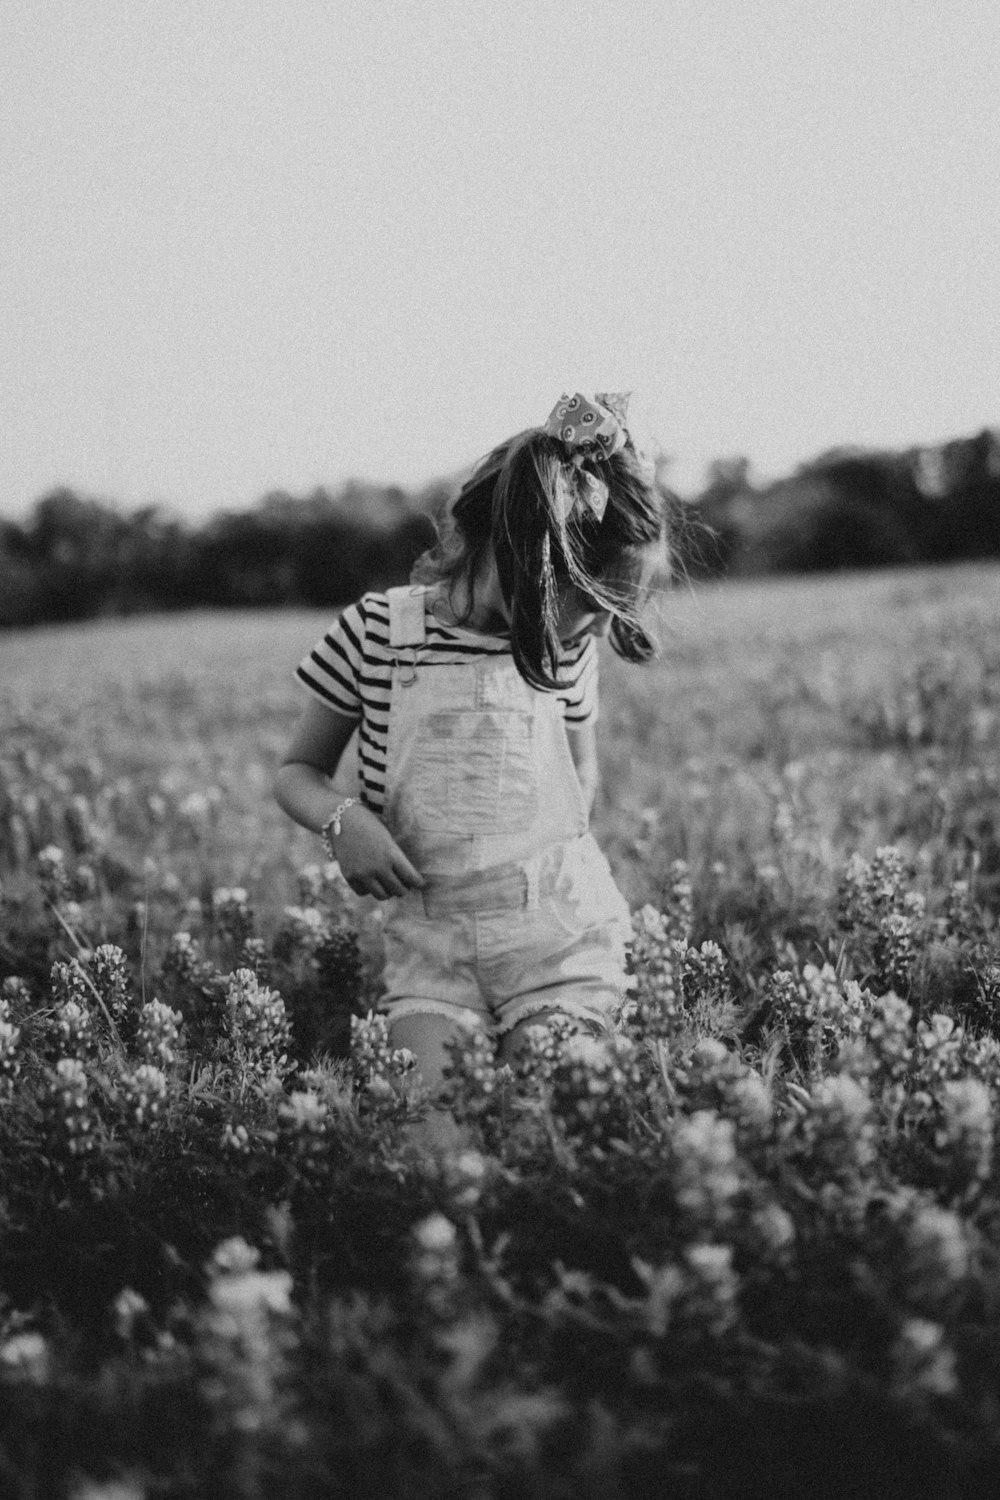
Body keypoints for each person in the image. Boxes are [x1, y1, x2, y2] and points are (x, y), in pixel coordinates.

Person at [274, 392, 670, 1150]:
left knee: (551, 1128)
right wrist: (342, 819)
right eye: (584, 605)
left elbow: (579, 778)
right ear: (520, 554)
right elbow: (297, 770)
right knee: (431, 1144)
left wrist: (537, 857)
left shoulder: (571, 648)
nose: (592, 631)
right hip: (435, 951)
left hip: (555, 939)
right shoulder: (378, 632)